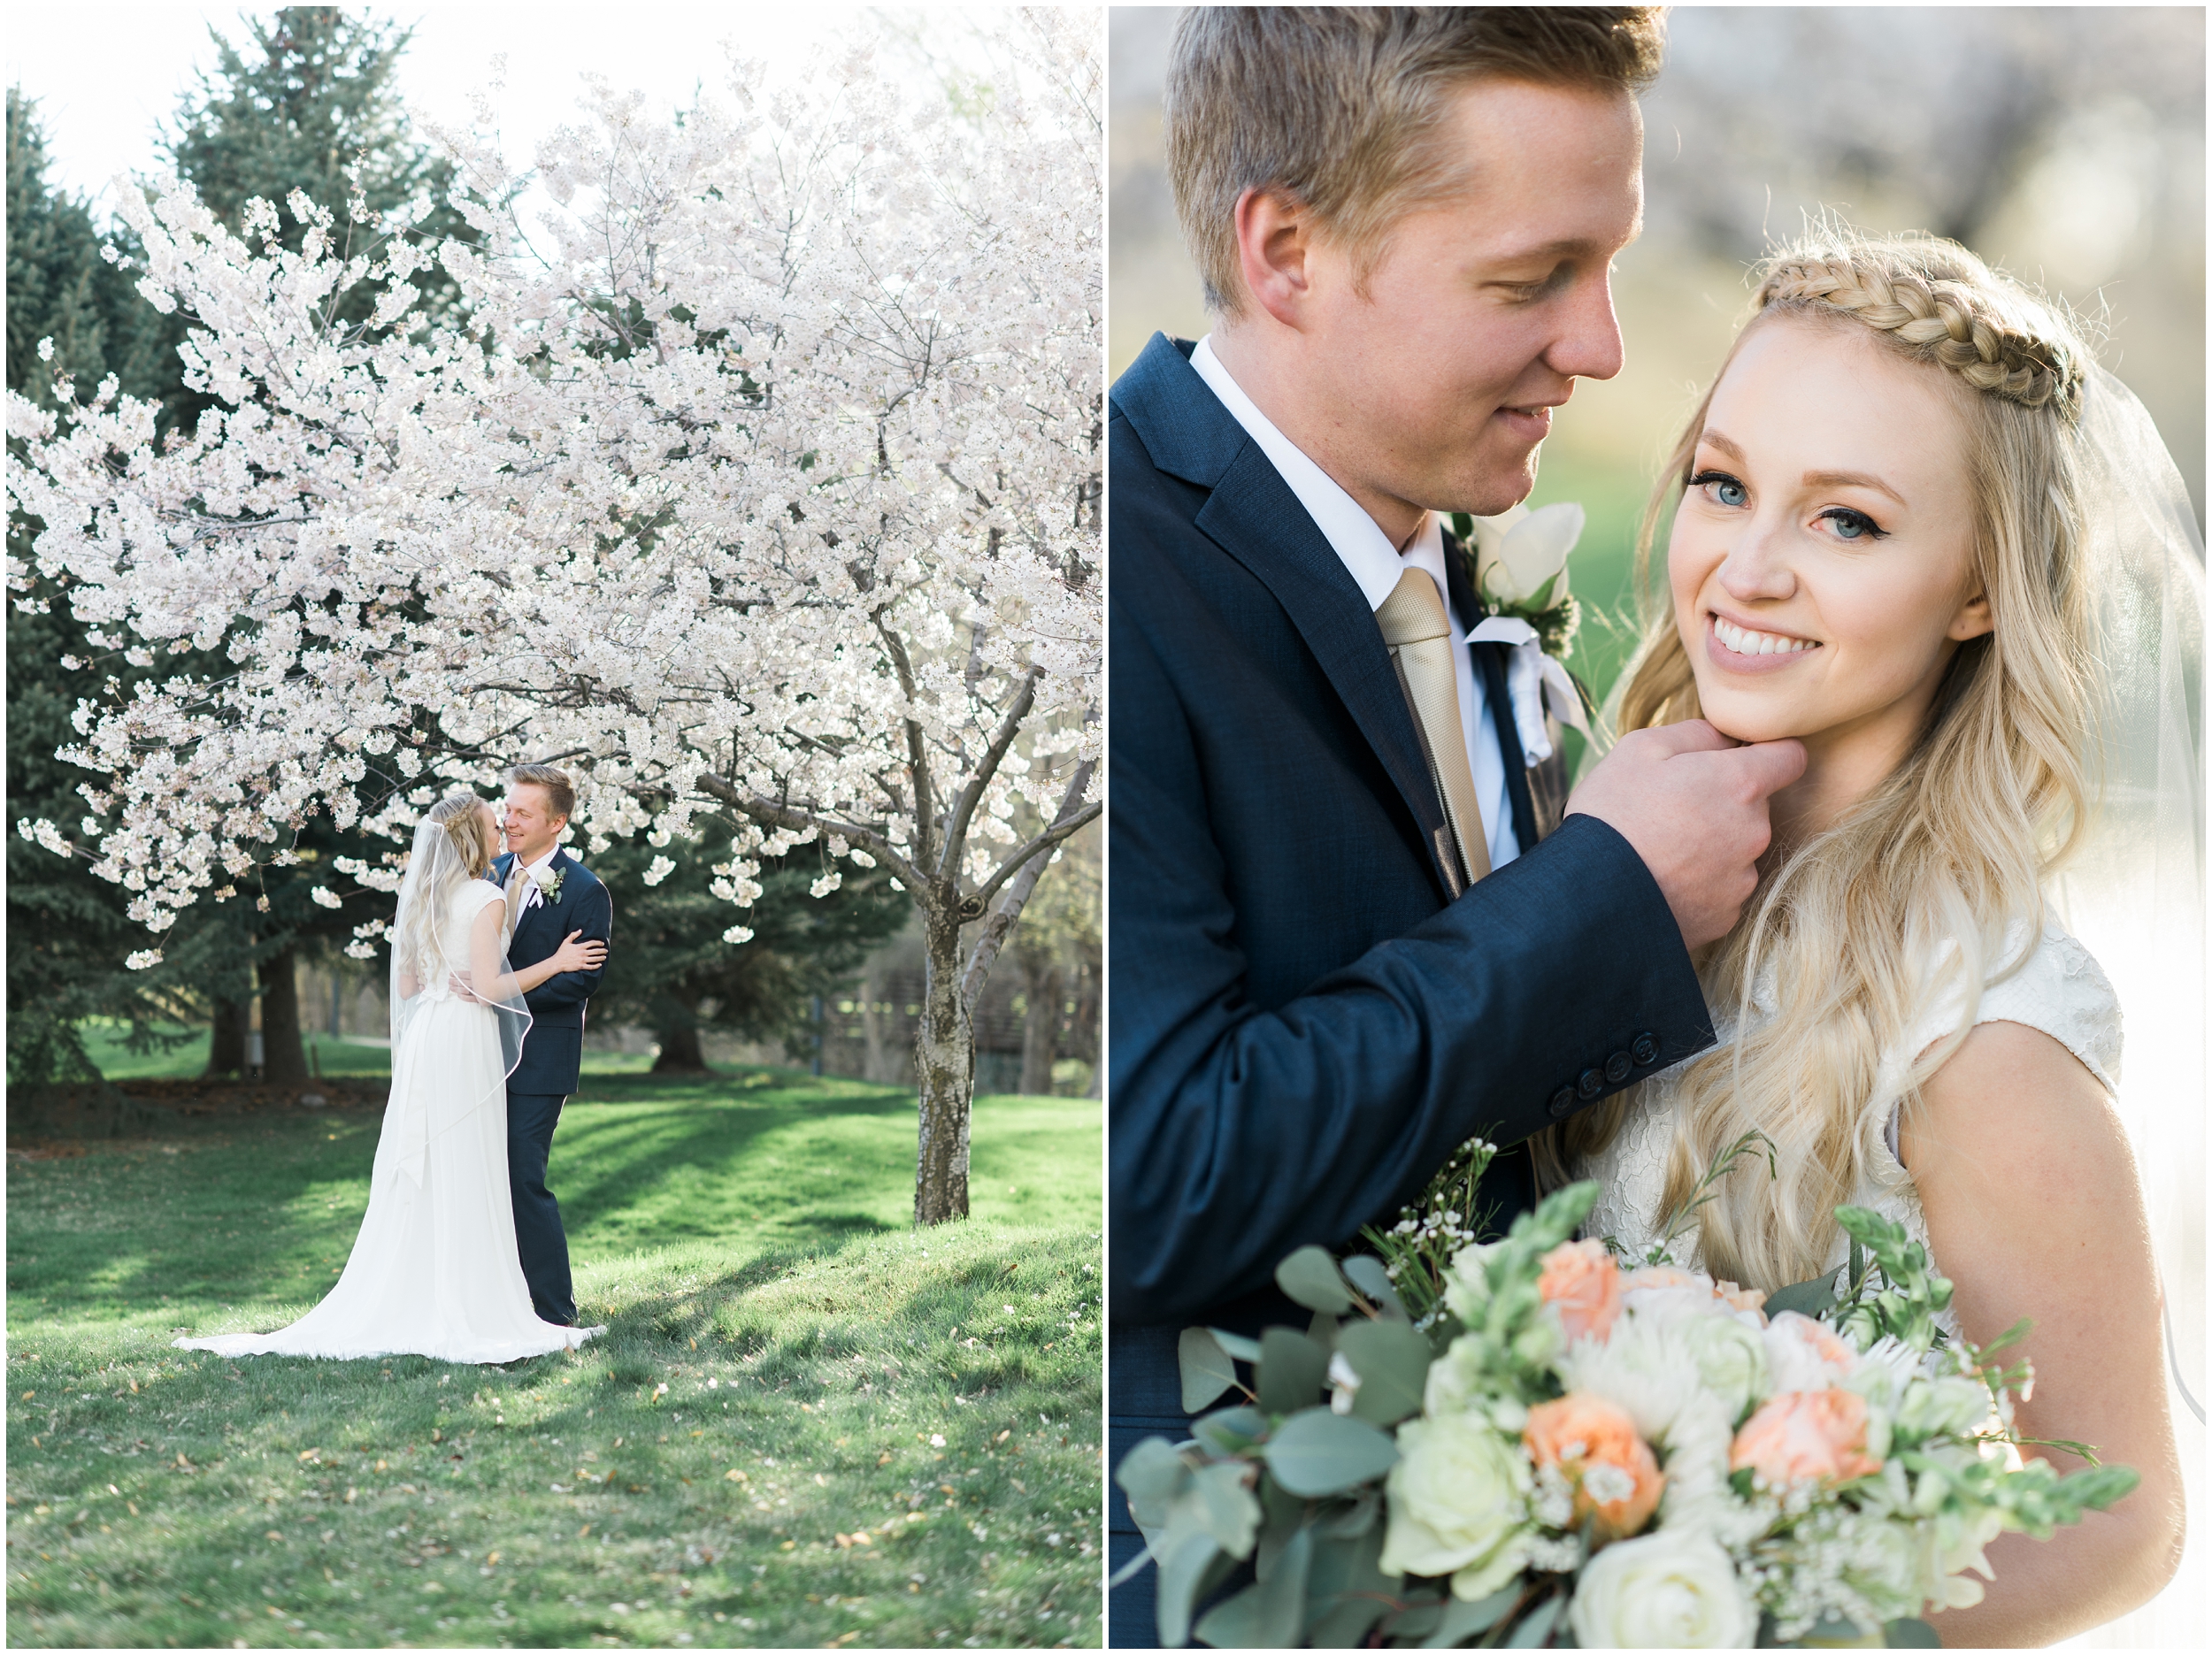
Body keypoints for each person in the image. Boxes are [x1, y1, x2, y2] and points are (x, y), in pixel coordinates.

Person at [1108, 10, 1805, 1639]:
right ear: (1287, 249)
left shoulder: (1457, 553)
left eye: (1611, 265)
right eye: (1532, 280)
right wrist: (1605, 893)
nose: (1606, 347)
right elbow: (1149, 1173)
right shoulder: (1109, 574)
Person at [1541, 229, 2192, 1644]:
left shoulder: (1982, 1034)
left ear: (1976, 587)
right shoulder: (1604, 866)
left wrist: (1761, 1618)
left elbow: (2125, 1523)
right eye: (1725, 485)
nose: (1747, 569)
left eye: (1847, 521)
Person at [175, 792, 608, 1363]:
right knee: (465, 1161)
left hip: (429, 1033)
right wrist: (555, 962)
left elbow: (406, 987)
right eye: (492, 823)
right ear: (474, 840)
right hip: (464, 1037)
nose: (502, 827)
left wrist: (449, 977)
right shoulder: (483, 895)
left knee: (429, 1158)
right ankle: (470, 1297)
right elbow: (487, 985)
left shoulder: (425, 895)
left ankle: (417, 1287)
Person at [490, 762, 613, 1330]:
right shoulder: (486, 874)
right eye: (507, 807)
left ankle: (553, 1310)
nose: (507, 819)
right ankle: (490, 1296)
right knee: (476, 1175)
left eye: (521, 812)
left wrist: (497, 998)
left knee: (521, 1176)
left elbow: (578, 981)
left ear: (556, 822)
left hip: (540, 1059)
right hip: (475, 1056)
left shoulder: (586, 892)